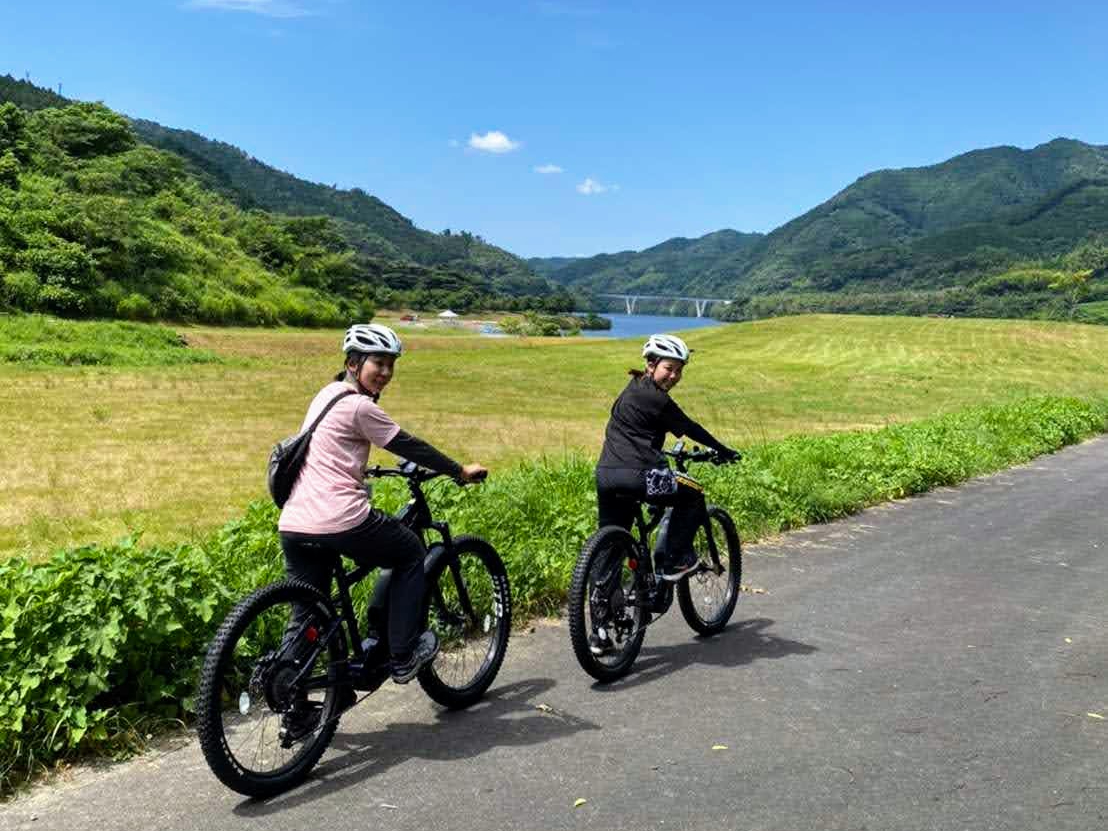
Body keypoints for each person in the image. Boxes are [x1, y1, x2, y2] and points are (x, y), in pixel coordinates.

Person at [278, 323, 487, 705]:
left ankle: (305, 700)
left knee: (308, 613)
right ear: (353, 363)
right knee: (409, 552)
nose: (386, 373)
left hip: (294, 521)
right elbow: (409, 445)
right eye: (378, 363)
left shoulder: (326, 394)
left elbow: (331, 450)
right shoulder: (359, 406)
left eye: (391, 364)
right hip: (339, 518)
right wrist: (458, 471)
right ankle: (404, 655)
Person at [591, 333, 739, 651]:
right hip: (641, 476)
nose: (674, 376)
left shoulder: (630, 391)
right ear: (651, 364)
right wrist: (722, 449)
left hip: (606, 476)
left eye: (679, 370)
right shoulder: (655, 398)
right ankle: (674, 560)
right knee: (693, 493)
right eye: (669, 368)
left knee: (611, 547)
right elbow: (689, 427)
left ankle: (600, 632)